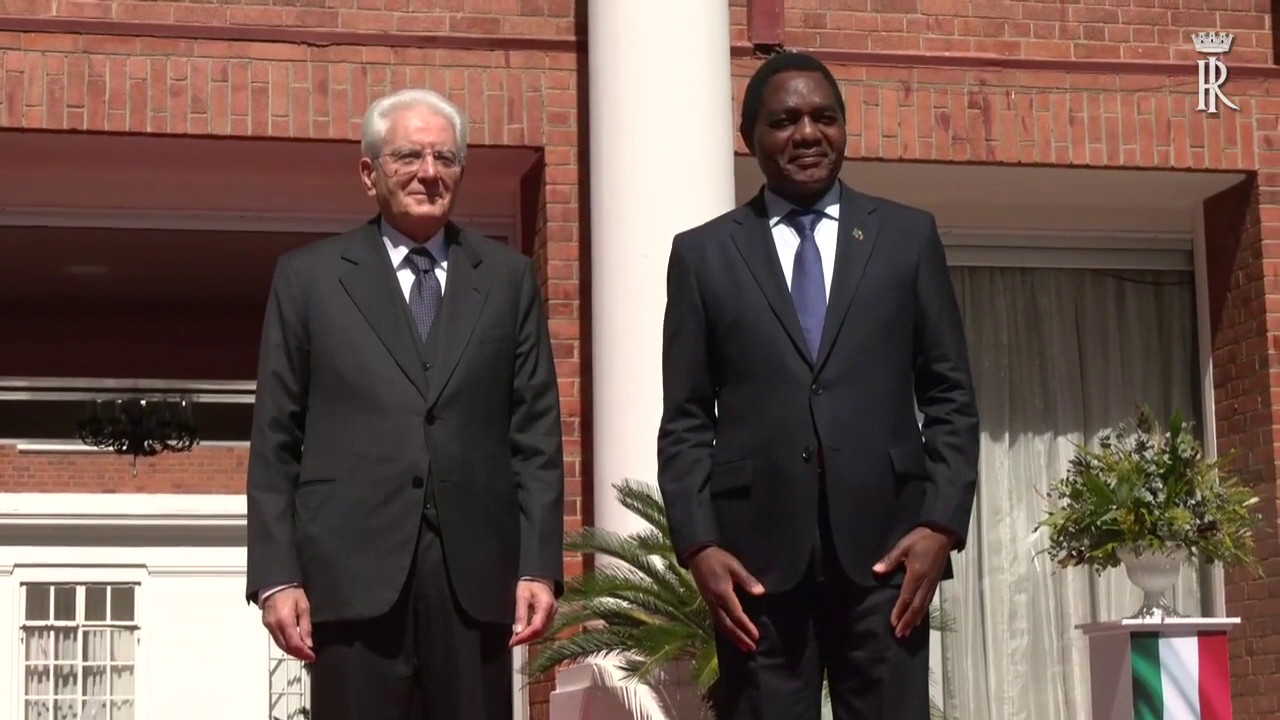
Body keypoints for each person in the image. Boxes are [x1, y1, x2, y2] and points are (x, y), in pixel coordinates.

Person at [656, 52, 980, 720]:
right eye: (785, 121)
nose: (808, 133)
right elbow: (686, 418)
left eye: (824, 117)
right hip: (755, 570)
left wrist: (941, 523)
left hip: (889, 561)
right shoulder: (704, 255)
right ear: (750, 136)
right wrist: (699, 545)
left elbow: (949, 394)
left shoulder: (907, 237)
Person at [245, 88, 565, 720]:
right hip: (350, 577)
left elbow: (536, 433)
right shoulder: (309, 279)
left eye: (445, 157)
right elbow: (276, 438)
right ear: (370, 173)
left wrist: (538, 566)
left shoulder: (507, 280)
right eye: (409, 156)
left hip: (474, 579)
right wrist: (277, 575)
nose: (429, 172)